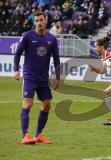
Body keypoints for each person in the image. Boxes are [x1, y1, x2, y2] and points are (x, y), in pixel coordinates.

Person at [13, 11, 60, 144]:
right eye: (37, 20)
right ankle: (25, 135)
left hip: (43, 78)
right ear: (34, 22)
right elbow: (17, 53)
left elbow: (56, 58)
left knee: (46, 105)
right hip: (29, 76)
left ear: (46, 21)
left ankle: (38, 135)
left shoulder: (52, 39)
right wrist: (16, 70)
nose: (39, 22)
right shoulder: (27, 36)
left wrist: (57, 76)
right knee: (28, 103)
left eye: (41, 20)